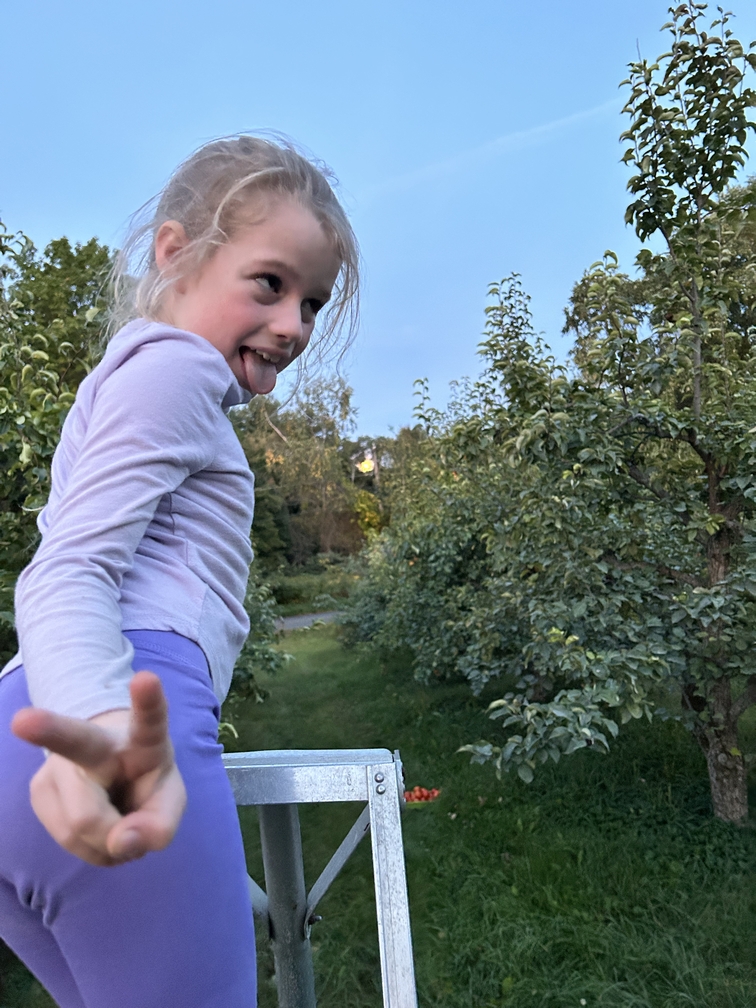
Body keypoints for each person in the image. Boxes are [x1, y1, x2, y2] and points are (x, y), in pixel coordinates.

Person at [0, 135, 359, 1008]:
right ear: (176, 253)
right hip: (110, 725)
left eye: (313, 302)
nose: (292, 325)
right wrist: (104, 739)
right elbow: (66, 571)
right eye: (270, 284)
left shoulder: (128, 377)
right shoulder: (175, 369)